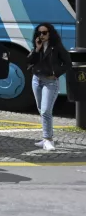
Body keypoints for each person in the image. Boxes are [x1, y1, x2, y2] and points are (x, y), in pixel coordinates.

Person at [27, 22, 70, 152]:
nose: (42, 35)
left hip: (50, 82)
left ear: (50, 33)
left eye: (44, 33)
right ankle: (46, 138)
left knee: (46, 111)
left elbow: (67, 63)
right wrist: (37, 49)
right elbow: (30, 61)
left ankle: (48, 140)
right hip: (36, 80)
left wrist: (56, 74)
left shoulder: (56, 47)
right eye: (39, 33)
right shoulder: (37, 45)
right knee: (42, 110)